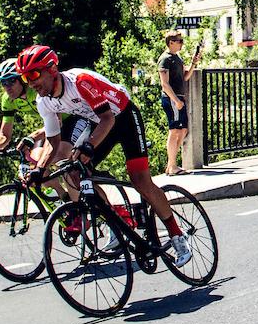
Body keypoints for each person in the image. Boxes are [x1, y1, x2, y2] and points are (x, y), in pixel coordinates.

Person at [15, 45, 193, 268]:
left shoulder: (79, 82)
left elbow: (108, 118)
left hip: (123, 117)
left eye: (33, 74)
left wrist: (88, 147)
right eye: (25, 77)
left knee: (140, 181)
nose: (30, 83)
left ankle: (177, 236)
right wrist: (39, 170)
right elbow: (53, 141)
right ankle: (115, 223)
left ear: (51, 69)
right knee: (73, 172)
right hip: (99, 122)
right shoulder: (45, 101)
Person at [0, 59, 73, 200]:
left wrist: (32, 137)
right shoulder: (8, 100)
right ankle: (65, 200)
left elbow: (58, 123)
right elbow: (4, 135)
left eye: (11, 81)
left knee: (59, 159)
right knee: (37, 162)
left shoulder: (37, 90)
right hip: (50, 126)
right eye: (3, 83)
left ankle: (80, 200)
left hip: (70, 120)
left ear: (22, 79)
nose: (7, 87)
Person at [157, 30, 197, 176]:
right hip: (172, 99)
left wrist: (193, 63)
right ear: (171, 42)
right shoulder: (165, 59)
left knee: (183, 130)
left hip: (179, 98)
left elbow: (185, 77)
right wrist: (176, 101)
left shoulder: (177, 58)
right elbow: (164, 84)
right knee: (174, 131)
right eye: (179, 41)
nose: (182, 44)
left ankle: (171, 164)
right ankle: (173, 166)